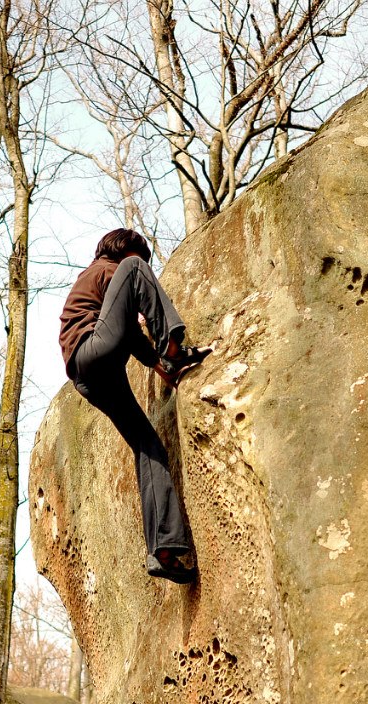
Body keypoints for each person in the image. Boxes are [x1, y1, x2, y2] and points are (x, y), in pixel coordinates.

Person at [59, 229, 210, 584]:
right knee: (134, 270)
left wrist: (160, 367)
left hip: (91, 376)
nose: (143, 264)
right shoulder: (108, 267)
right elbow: (127, 311)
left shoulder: (103, 286)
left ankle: (164, 549)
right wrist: (167, 350)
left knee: (149, 447)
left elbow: (125, 332)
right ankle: (172, 344)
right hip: (92, 352)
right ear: (121, 247)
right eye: (139, 254)